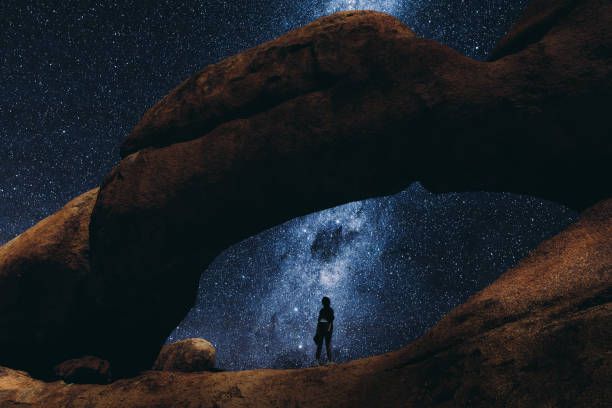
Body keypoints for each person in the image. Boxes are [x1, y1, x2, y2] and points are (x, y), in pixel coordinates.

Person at [312, 296, 334, 366]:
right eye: (323, 302)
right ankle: (317, 361)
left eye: (324, 302)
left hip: (326, 328)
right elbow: (319, 321)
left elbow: (331, 321)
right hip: (322, 328)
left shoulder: (330, 310)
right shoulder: (322, 310)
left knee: (327, 345)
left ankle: (329, 361)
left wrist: (328, 330)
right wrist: (317, 333)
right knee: (320, 345)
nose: (323, 303)